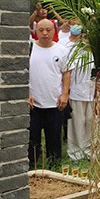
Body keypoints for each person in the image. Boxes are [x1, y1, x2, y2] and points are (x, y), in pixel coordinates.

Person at [28, 19, 70, 168]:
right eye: (41, 30)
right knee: (32, 137)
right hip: (33, 103)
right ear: (36, 31)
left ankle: (54, 164)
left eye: (48, 29)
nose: (45, 33)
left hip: (54, 102)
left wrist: (65, 94)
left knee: (54, 136)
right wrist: (26, 93)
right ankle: (32, 163)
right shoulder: (29, 49)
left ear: (54, 30)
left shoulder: (62, 50)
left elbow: (66, 73)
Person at [61, 23, 93, 160]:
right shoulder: (72, 49)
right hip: (77, 91)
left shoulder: (96, 51)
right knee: (77, 122)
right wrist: (66, 91)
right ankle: (75, 153)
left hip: (94, 93)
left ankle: (89, 151)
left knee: (91, 122)